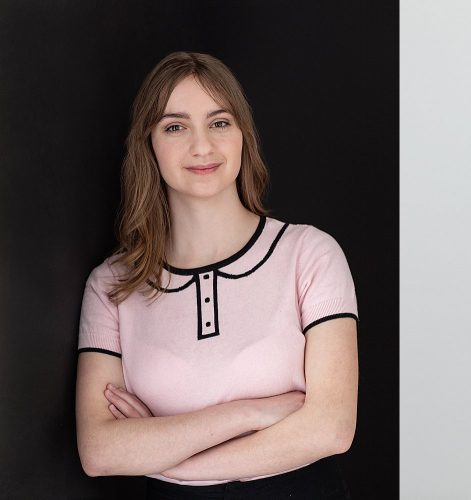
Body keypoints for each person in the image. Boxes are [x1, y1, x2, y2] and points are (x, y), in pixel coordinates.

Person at [75, 51, 358, 499]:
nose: (202, 146)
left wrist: (169, 459)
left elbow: (331, 428)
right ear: (148, 143)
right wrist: (249, 414)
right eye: (175, 127)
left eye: (220, 122)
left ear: (243, 134)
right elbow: (99, 451)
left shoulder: (309, 254)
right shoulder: (112, 285)